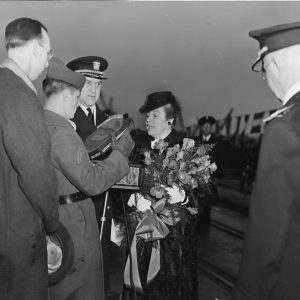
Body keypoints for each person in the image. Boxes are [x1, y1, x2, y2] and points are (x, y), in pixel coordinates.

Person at [43, 57, 134, 300]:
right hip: (76, 216)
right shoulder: (63, 130)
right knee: (78, 285)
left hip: (90, 213)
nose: (92, 90)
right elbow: (91, 180)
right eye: (84, 87)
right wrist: (120, 155)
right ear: (68, 94)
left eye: (98, 84)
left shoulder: (104, 121)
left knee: (91, 281)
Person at [232, 21, 300, 300]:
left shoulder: (284, 127)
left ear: (275, 64)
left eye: (263, 70)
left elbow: (267, 241)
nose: (265, 78)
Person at [0, 17, 59, 300]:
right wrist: (52, 220)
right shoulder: (19, 94)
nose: (48, 62)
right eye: (48, 53)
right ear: (35, 48)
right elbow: (35, 172)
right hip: (17, 241)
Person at [122, 91, 198, 300]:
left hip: (173, 245)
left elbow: (205, 197)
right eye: (147, 115)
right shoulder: (137, 149)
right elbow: (124, 184)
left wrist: (183, 196)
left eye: (155, 115)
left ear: (170, 119)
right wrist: (131, 198)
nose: (148, 120)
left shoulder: (186, 149)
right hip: (141, 238)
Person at [67, 55, 116, 293]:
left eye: (97, 84)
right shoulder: (67, 118)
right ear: (76, 85)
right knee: (77, 276)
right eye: (87, 83)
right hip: (78, 208)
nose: (93, 90)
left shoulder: (109, 120)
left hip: (104, 208)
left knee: (101, 274)